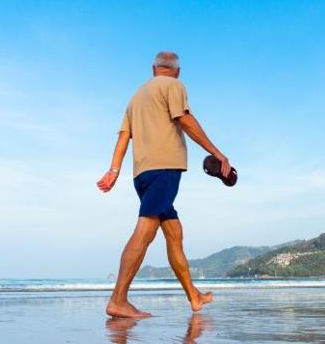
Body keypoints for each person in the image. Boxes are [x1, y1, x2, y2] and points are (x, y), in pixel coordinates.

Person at [97, 51, 232, 318]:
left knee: (174, 233)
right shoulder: (174, 86)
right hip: (164, 169)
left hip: (142, 174)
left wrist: (114, 170)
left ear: (153, 69)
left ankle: (194, 296)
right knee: (145, 231)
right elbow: (185, 120)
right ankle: (118, 300)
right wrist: (218, 153)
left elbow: (124, 137)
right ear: (177, 72)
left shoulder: (136, 97)